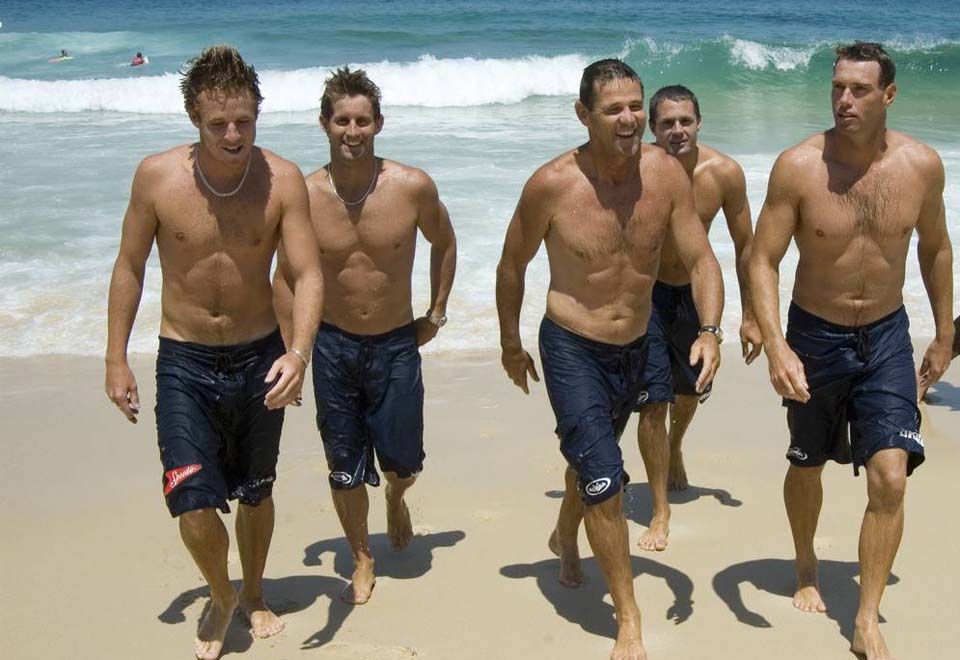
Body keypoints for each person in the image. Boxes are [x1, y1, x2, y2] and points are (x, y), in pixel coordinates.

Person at [496, 59, 723, 660]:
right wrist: (510, 343)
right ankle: (628, 618)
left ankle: (563, 534)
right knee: (604, 478)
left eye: (634, 106)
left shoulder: (665, 175)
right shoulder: (551, 185)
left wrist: (710, 330)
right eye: (612, 109)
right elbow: (512, 264)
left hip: (641, 343)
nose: (628, 119)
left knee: (591, 464)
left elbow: (701, 258)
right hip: (573, 346)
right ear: (583, 114)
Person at [105, 45, 324, 660]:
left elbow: (307, 273)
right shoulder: (156, 178)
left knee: (256, 491)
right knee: (190, 498)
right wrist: (115, 358)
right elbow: (129, 266)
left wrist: (299, 353)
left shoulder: (282, 180)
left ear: (258, 115)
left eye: (244, 121)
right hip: (185, 360)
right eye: (218, 123)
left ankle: (253, 592)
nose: (233, 135)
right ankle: (221, 592)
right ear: (193, 118)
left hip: (260, 356)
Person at [749, 42, 953, 660]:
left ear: (888, 95)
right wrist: (777, 345)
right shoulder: (799, 167)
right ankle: (806, 564)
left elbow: (936, 248)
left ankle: (866, 617)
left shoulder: (921, 167)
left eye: (859, 90)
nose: (844, 100)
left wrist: (945, 334)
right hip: (815, 335)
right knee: (807, 463)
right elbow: (762, 259)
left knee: (891, 475)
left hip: (887, 335)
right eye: (838, 87)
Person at [273, 67, 456, 605]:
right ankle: (361, 556)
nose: (352, 132)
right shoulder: (304, 196)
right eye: (342, 121)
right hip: (331, 345)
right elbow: (285, 278)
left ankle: (396, 498)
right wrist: (293, 353)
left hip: (396, 343)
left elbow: (445, 243)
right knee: (343, 466)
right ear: (323, 124)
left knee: (404, 462)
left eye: (362, 121)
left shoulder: (411, 186)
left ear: (379, 123)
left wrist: (436, 314)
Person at [633, 85, 761, 551]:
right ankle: (660, 509)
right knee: (653, 400)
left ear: (699, 122)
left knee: (689, 391)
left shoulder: (723, 173)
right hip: (645, 294)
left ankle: (675, 445)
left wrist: (751, 315)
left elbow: (747, 248)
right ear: (652, 128)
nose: (677, 130)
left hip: (693, 291)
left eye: (685, 121)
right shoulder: (637, 167)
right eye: (667, 123)